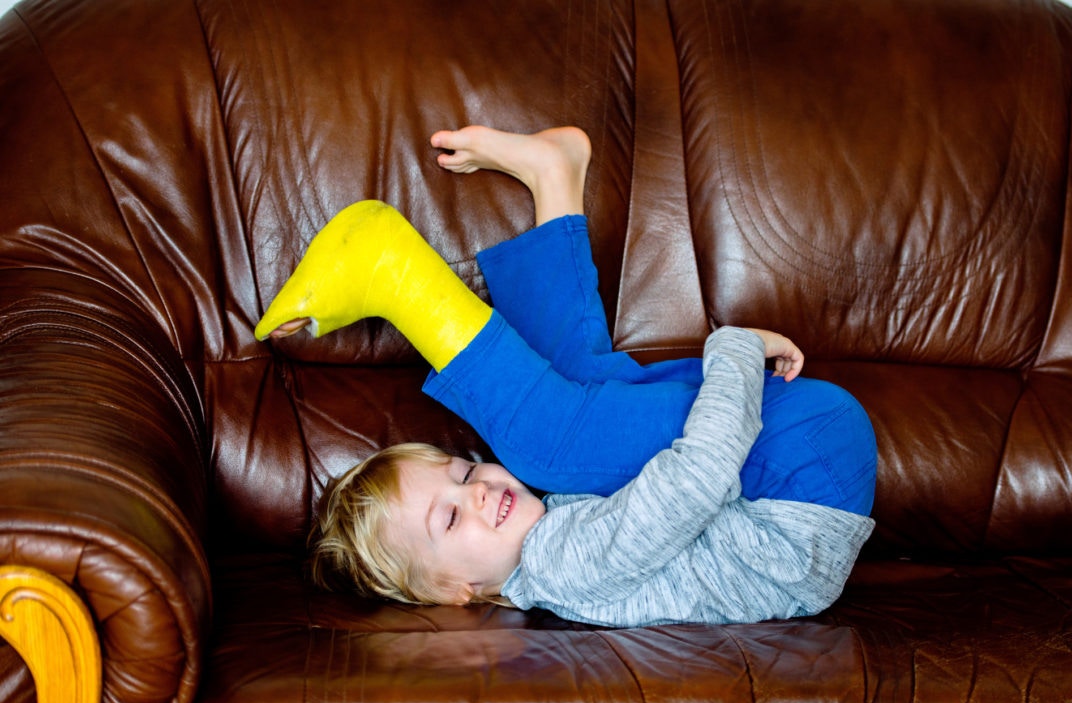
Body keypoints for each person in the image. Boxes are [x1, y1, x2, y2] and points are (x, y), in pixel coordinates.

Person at [255, 126, 876, 626]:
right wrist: (735, 349)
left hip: (793, 461)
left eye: (464, 471)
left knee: (573, 397)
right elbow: (700, 479)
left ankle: (555, 175)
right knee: (548, 444)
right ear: (455, 594)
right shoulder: (559, 565)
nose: (475, 494)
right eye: (448, 521)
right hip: (796, 482)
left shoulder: (547, 536)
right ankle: (393, 271)